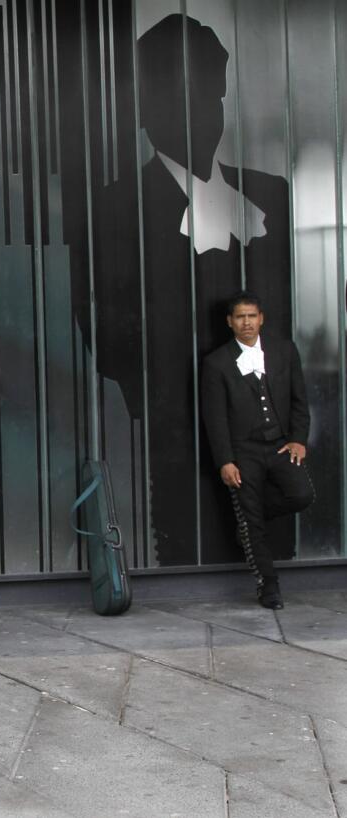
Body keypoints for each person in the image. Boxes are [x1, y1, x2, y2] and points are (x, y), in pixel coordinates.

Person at [75, 14, 293, 566]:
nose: (199, 112)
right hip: (173, 412)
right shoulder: (114, 205)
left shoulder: (269, 194)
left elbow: (283, 311)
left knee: (271, 522)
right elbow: (96, 312)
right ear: (146, 111)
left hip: (261, 415)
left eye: (209, 95)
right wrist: (149, 390)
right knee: (183, 531)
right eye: (177, 97)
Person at [200, 292, 314, 609]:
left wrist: (298, 439)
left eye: (251, 316)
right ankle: (269, 587)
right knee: (251, 521)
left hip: (280, 446)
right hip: (243, 451)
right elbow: (215, 418)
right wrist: (226, 460)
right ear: (230, 322)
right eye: (240, 317)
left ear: (261, 318)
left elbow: (299, 402)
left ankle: (251, 523)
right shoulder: (216, 363)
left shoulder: (284, 351)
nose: (246, 322)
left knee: (301, 494)